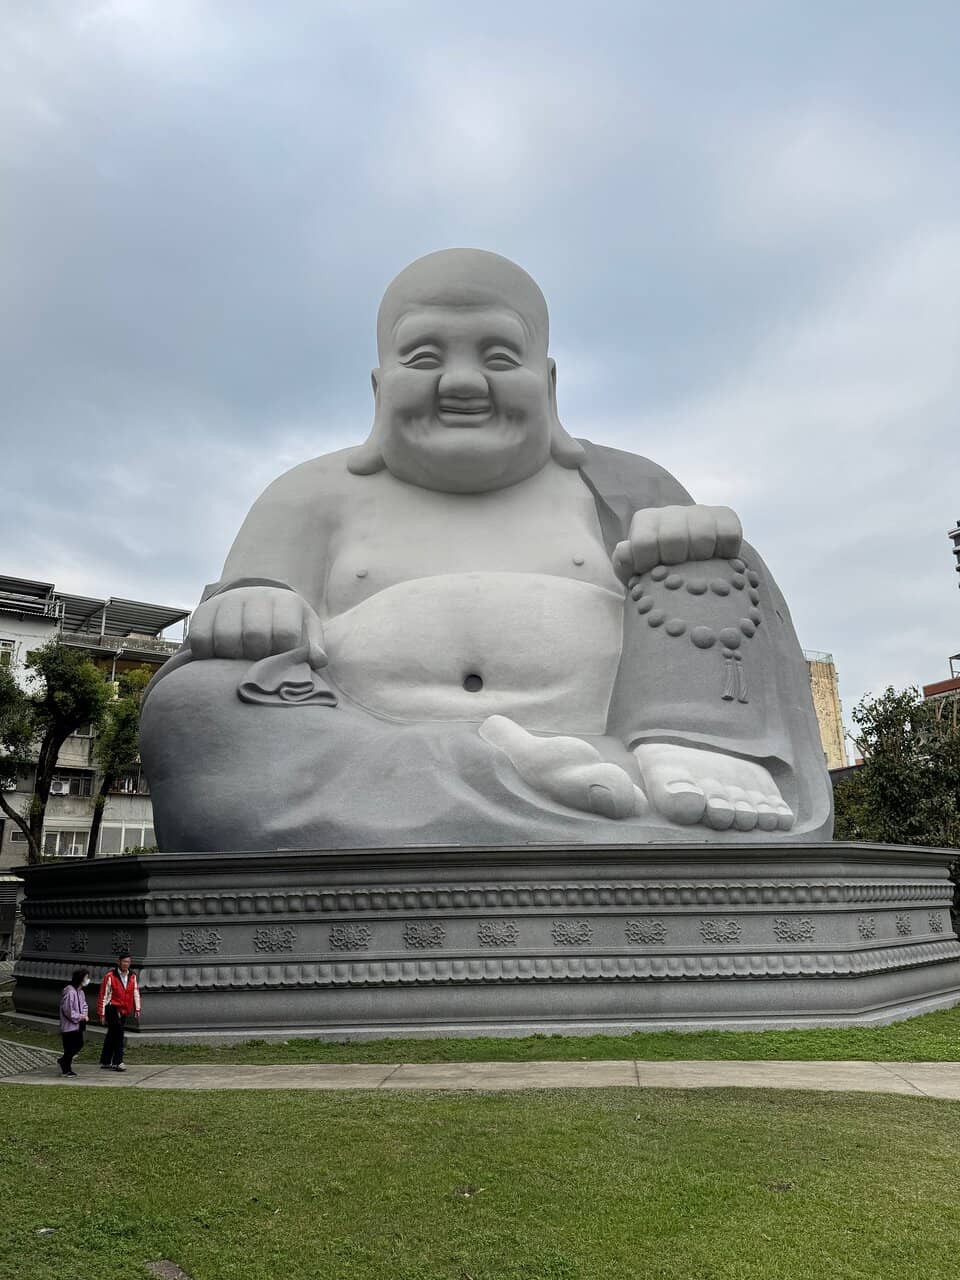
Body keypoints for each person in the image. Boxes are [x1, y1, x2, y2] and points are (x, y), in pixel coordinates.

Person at [140, 248, 831, 849]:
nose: (463, 383)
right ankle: (512, 779)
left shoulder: (628, 483)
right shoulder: (309, 495)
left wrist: (690, 542)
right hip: (363, 753)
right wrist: (254, 602)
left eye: (499, 357)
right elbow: (233, 645)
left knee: (714, 553)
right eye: (424, 357)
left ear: (550, 385)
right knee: (193, 704)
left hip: (616, 748)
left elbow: (730, 607)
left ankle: (696, 747)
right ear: (380, 388)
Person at [97, 951, 141, 1071]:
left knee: (112, 1034)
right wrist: (101, 1013)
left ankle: (106, 1060)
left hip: (124, 1009)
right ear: (119, 962)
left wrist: (137, 1008)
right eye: (124, 961)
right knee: (119, 1034)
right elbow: (103, 995)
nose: (127, 964)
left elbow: (135, 992)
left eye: (128, 962)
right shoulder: (110, 976)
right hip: (112, 1008)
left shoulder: (132, 976)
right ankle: (118, 1061)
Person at [57, 968, 90, 1076]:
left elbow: (84, 1005)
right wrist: (80, 1017)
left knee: (78, 1044)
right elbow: (68, 1010)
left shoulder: (80, 992)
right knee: (70, 1047)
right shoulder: (70, 992)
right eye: (86, 977)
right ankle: (66, 1068)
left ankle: (65, 1063)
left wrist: (84, 1015)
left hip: (78, 1025)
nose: (88, 979)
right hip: (69, 1026)